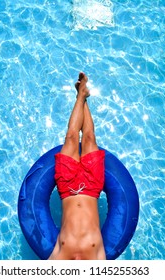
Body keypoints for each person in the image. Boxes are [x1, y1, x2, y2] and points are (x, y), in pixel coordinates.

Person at [49, 72, 106, 260]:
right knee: (89, 137)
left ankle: (81, 95)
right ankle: (83, 97)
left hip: (67, 188)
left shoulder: (59, 259)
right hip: (91, 188)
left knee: (72, 137)